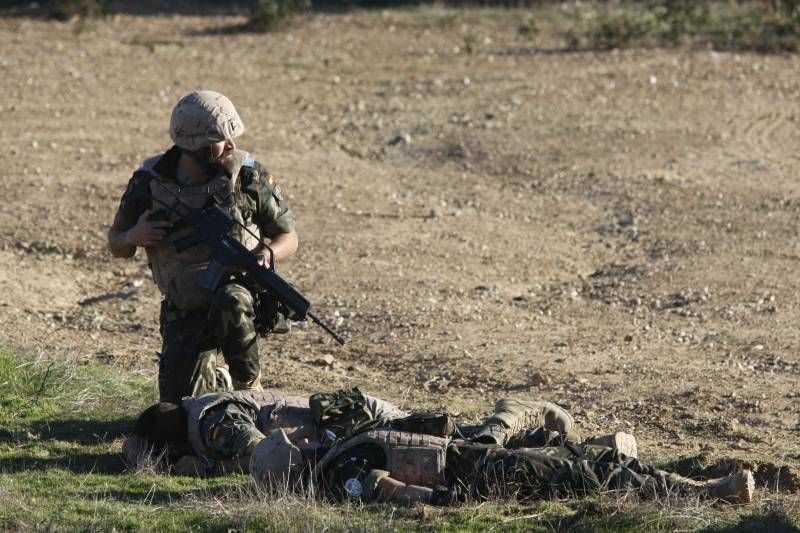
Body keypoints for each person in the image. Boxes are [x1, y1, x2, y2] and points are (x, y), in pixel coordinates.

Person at [108, 90, 298, 402]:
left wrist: (268, 252)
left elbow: (289, 237)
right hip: (185, 304)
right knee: (177, 408)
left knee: (231, 298)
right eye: (222, 139)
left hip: (237, 298)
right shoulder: (150, 181)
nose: (231, 146)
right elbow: (116, 243)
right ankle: (216, 379)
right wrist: (134, 235)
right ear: (196, 146)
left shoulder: (247, 176)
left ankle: (250, 391)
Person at [250, 406, 755, 506]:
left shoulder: (337, 454)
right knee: (586, 475)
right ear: (292, 464)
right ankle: (708, 494)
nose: (304, 438)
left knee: (581, 463)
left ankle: (699, 489)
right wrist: (437, 502)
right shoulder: (340, 473)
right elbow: (386, 487)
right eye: (295, 445)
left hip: (467, 459)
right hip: (471, 475)